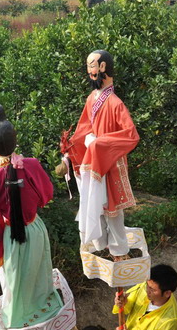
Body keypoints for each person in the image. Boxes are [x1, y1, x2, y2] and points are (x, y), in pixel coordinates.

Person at [0, 103, 63, 329]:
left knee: (12, 279)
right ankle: (42, 308)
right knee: (39, 270)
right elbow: (47, 194)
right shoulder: (31, 164)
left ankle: (18, 318)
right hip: (35, 227)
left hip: (12, 235)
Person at [58, 50, 139, 259]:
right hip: (94, 159)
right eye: (88, 66)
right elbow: (84, 129)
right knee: (96, 203)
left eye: (92, 65)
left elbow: (131, 135)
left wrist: (101, 144)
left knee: (112, 210)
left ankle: (120, 251)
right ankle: (101, 244)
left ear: (103, 67)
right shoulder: (92, 98)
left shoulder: (115, 103)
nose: (90, 70)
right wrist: (71, 151)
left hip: (110, 160)